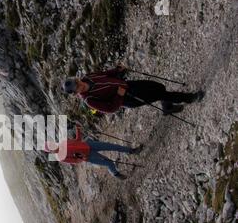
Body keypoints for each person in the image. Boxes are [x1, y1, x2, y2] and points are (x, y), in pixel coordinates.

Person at [62, 65, 205, 115]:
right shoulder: (89, 100)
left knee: (159, 87)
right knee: (160, 93)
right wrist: (119, 96)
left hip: (128, 85)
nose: (80, 84)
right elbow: (110, 109)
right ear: (75, 93)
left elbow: (106, 74)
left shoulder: (88, 77)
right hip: (128, 98)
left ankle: (167, 107)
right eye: (77, 87)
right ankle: (190, 98)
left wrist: (117, 70)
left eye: (77, 81)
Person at [44, 125, 143, 180]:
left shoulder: (63, 142)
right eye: (50, 147)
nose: (52, 145)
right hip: (89, 156)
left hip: (89, 144)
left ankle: (132, 151)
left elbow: (77, 140)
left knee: (112, 146)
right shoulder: (60, 157)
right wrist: (83, 157)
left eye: (51, 143)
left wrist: (78, 129)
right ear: (51, 151)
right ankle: (116, 174)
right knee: (109, 162)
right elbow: (75, 162)